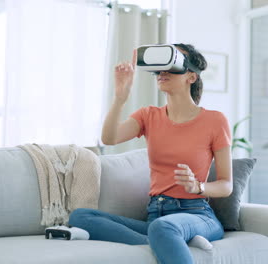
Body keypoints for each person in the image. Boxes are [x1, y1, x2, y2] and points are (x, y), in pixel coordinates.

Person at [68, 43, 232, 264]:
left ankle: (169, 236)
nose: (163, 72)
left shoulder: (214, 120)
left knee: (163, 228)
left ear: (191, 77)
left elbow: (226, 185)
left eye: (172, 65)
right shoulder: (148, 116)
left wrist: (198, 187)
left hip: (196, 214)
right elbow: (110, 138)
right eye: (160, 67)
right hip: (156, 214)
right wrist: (120, 98)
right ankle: (167, 240)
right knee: (80, 216)